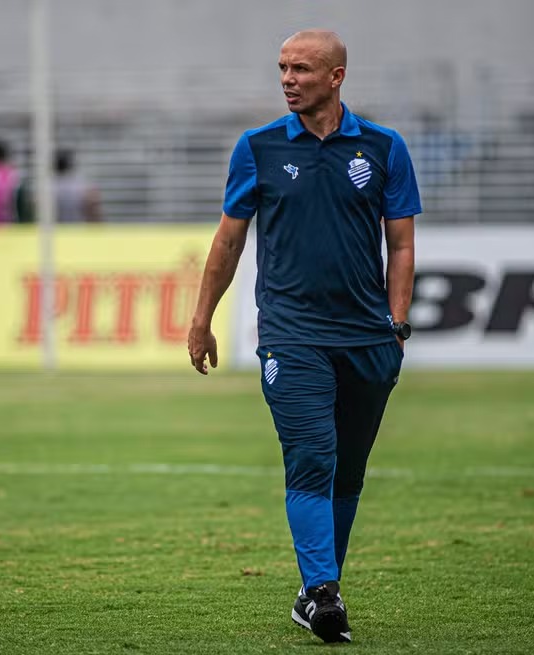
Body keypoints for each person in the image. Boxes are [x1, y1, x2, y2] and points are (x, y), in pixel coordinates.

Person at [187, 30, 421, 644]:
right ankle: (322, 592)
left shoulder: (385, 148)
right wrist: (201, 318)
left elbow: (401, 244)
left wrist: (397, 326)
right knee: (313, 455)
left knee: (347, 472)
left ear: (336, 77)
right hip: (291, 336)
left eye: (302, 69)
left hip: (370, 336)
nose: (288, 78)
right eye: (282, 68)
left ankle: (315, 588)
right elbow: (229, 240)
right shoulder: (257, 148)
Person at [54, 149, 101, 223]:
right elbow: (94, 212)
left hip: (56, 231)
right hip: (79, 231)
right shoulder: (83, 186)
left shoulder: (48, 187)